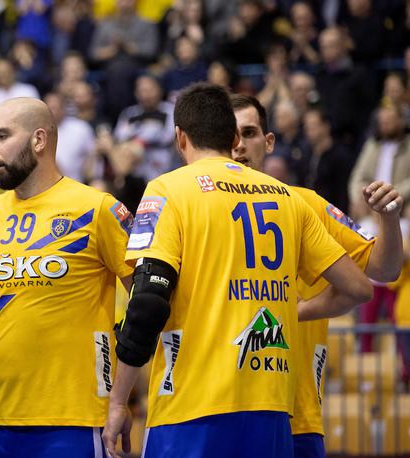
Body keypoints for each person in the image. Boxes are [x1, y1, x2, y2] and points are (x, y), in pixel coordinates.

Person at [101, 83, 373, 458]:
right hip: (272, 408)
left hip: (192, 405)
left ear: (181, 138)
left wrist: (118, 401)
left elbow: (148, 301)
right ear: (232, 138)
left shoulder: (169, 189)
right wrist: (294, 310)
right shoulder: (284, 196)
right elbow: (359, 288)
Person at [0, 97, 134, 457]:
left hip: (73, 422)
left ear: (39, 140)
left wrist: (121, 399)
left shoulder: (97, 209)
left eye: (2, 136)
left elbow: (148, 305)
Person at [230, 94, 404, 458]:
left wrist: (387, 218)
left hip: (298, 416)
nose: (238, 146)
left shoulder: (306, 203)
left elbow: (385, 270)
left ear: (269, 142)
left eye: (249, 133)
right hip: (219, 408)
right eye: (229, 135)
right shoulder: (193, 207)